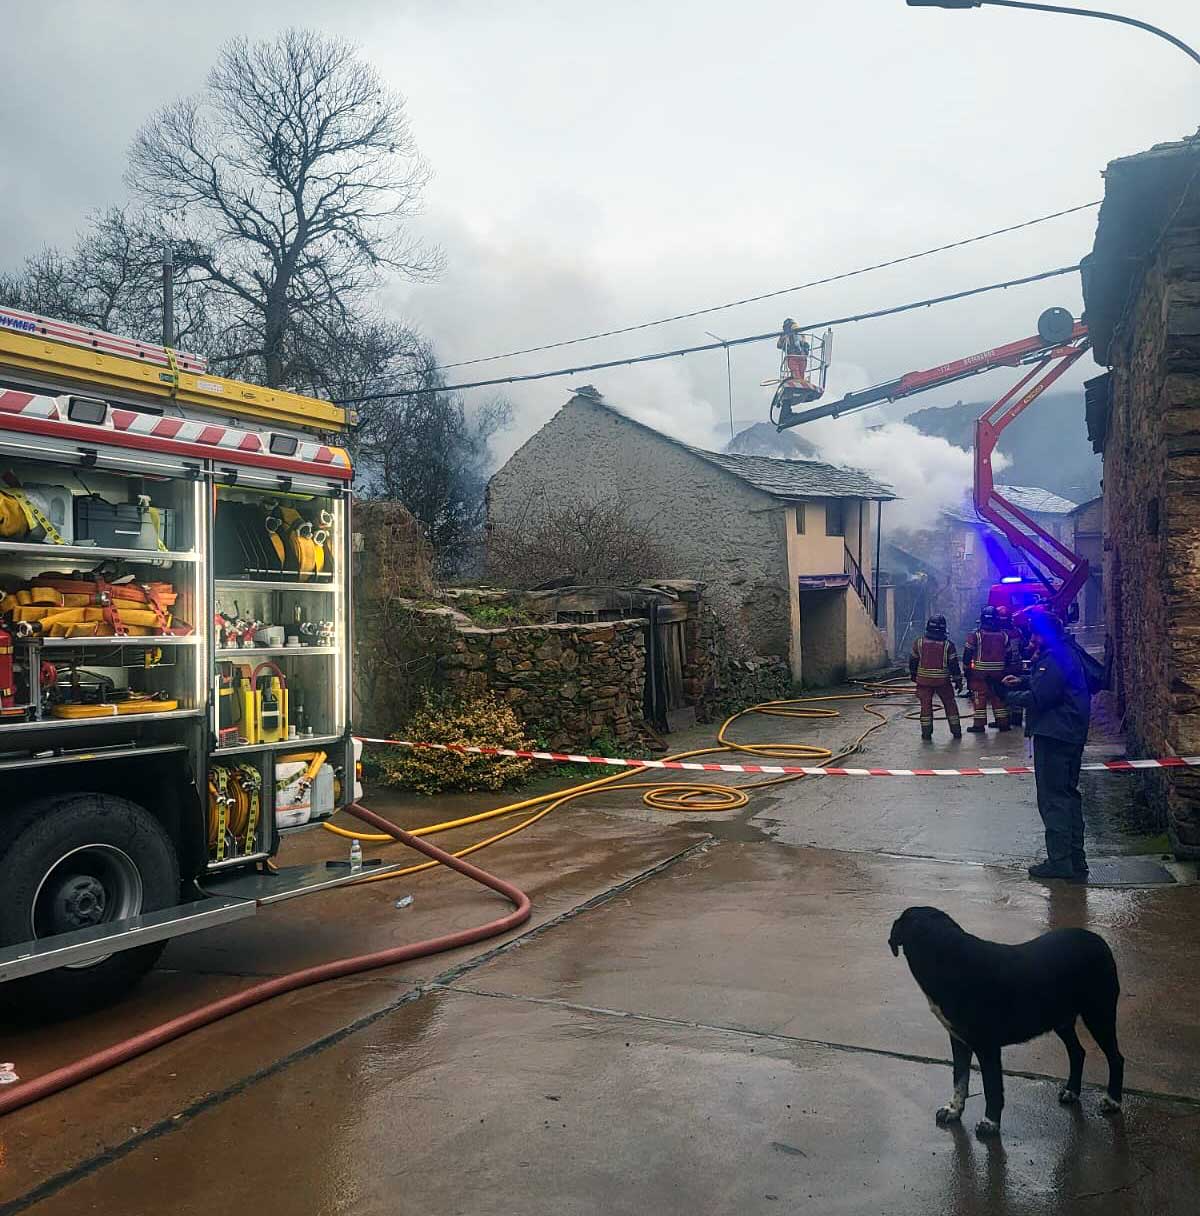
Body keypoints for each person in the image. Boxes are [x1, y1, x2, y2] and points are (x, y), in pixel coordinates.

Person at [1003, 608, 1092, 882]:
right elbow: (1052, 684)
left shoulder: (1053, 658)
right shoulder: (1066, 652)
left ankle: (1060, 863)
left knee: (1053, 799)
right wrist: (1025, 679)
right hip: (1069, 733)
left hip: (1055, 735)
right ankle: (1075, 860)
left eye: (1033, 634)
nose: (1030, 639)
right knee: (1068, 796)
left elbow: (1041, 697)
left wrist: (1007, 695)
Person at [908, 614, 963, 741]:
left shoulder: (919, 642)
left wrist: (913, 675)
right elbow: (954, 665)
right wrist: (958, 680)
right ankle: (956, 731)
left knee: (925, 706)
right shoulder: (948, 645)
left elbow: (913, 661)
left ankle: (926, 733)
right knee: (950, 704)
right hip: (943, 682)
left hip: (923, 681)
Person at [962, 606, 1015, 733]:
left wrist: (966, 670)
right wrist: (1005, 669)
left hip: (979, 674)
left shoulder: (976, 635)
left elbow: (967, 654)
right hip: (999, 673)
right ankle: (1003, 723)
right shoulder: (1004, 635)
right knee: (998, 696)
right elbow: (1009, 654)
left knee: (979, 697)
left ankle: (979, 725)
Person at [995, 604, 1027, 727]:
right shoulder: (1017, 631)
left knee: (1003, 692)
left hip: (1004, 666)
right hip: (1017, 665)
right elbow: (1023, 646)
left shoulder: (998, 634)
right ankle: (1017, 719)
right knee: (1016, 689)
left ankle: (1004, 720)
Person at [777, 318, 812, 385]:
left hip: (796, 356)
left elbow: (779, 345)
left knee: (798, 373)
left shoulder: (792, 334)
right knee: (799, 373)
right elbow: (779, 345)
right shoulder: (798, 333)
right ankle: (801, 382)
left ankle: (800, 382)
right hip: (800, 356)